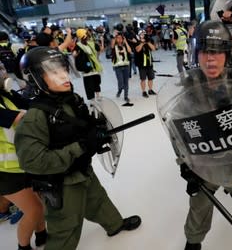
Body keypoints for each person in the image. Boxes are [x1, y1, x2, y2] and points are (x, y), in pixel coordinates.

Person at [158, 20, 232, 250]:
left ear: (227, 53)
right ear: (196, 53)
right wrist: (184, 164)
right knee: (199, 207)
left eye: (217, 52)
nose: (210, 59)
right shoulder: (188, 90)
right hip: (204, 164)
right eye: (205, 51)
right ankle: (193, 242)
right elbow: (177, 133)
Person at [14, 47, 141, 250]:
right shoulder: (35, 117)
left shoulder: (71, 100)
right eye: (53, 72)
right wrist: (81, 146)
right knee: (66, 227)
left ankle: (114, 224)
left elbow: (80, 127)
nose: (64, 75)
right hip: (62, 184)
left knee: (98, 200)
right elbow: (33, 162)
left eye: (63, 68)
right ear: (36, 78)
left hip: (83, 170)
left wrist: (96, 130)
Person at [0, 62, 47, 250]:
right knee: (34, 210)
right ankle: (23, 247)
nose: (3, 73)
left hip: (23, 163)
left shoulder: (5, 95)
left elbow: (30, 105)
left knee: (39, 204)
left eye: (2, 68)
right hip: (5, 172)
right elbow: (19, 117)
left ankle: (42, 235)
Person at [73, 28, 103, 101]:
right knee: (89, 85)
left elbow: (99, 50)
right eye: (86, 35)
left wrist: (97, 58)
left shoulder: (91, 43)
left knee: (96, 82)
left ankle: (98, 95)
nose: (87, 36)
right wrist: (75, 55)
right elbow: (74, 54)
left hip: (94, 67)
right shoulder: (78, 45)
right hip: (86, 69)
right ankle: (92, 99)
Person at [111, 33, 132, 102]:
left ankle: (126, 96)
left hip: (126, 66)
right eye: (118, 38)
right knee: (121, 82)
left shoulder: (125, 46)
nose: (119, 39)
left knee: (126, 82)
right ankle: (119, 90)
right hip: (117, 67)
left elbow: (129, 51)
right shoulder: (114, 46)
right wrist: (115, 36)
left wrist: (126, 42)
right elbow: (112, 45)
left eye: (121, 38)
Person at [135, 30, 157, 97]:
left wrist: (147, 42)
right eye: (141, 34)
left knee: (151, 78)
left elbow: (154, 49)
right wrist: (142, 43)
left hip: (149, 63)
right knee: (143, 79)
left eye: (144, 34)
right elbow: (137, 50)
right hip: (141, 64)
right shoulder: (137, 42)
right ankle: (143, 91)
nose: (143, 35)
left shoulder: (149, 42)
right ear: (139, 36)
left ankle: (150, 90)